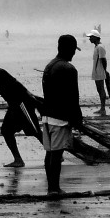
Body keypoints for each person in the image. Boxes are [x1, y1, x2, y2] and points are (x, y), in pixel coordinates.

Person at [40, 34, 84, 195]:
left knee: (50, 152)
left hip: (46, 116)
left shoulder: (49, 66)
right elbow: (73, 97)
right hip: (59, 118)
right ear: (66, 49)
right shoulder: (68, 69)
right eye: (73, 50)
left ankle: (51, 187)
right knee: (57, 154)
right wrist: (77, 119)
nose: (74, 53)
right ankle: (54, 188)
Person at [86, 30, 109, 116]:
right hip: (97, 71)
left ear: (95, 38)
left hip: (99, 71)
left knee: (101, 89)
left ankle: (103, 108)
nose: (89, 39)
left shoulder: (100, 47)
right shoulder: (96, 47)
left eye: (91, 37)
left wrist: (104, 71)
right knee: (99, 89)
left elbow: (103, 60)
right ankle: (102, 108)